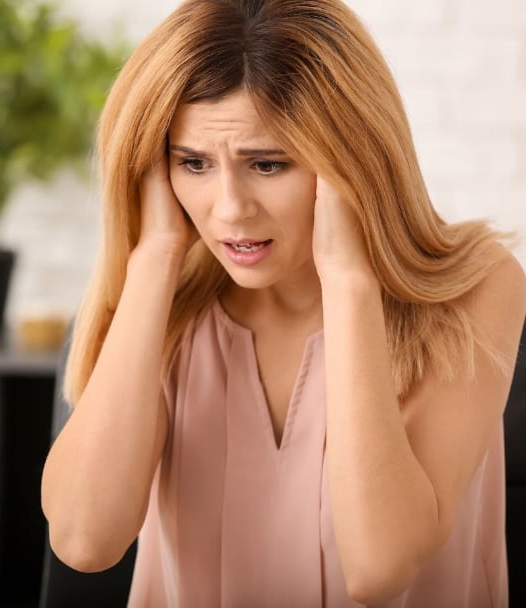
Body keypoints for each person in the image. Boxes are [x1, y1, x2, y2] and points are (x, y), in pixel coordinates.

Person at [40, 0, 525, 606]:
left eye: (268, 164)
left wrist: (349, 281)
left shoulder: (479, 286)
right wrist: (156, 255)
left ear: (352, 157)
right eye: (193, 163)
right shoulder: (162, 299)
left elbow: (379, 569)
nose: (230, 209)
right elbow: (85, 540)